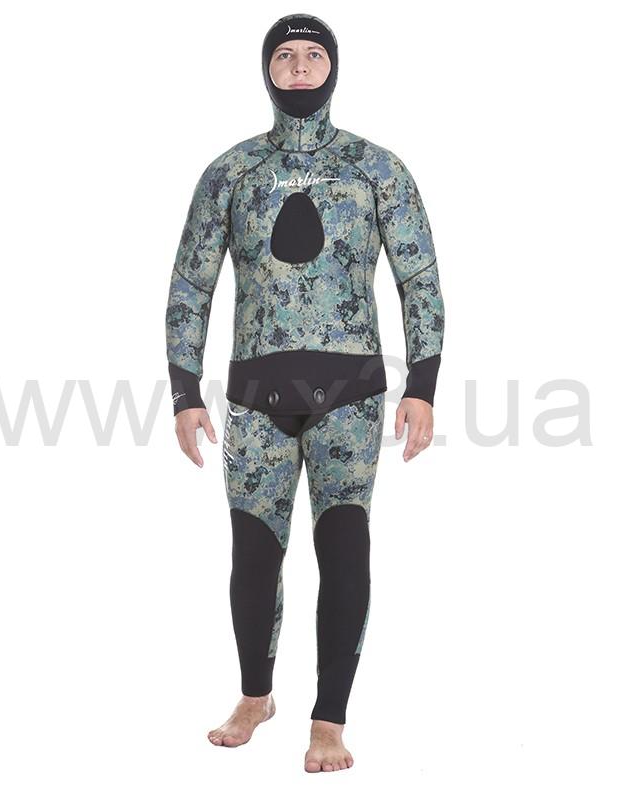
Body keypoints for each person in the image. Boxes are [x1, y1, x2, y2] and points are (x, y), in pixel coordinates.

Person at [165, 13, 444, 772]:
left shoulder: (375, 168)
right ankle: (255, 696)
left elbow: (419, 280)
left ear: (332, 68)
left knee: (344, 547)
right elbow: (190, 286)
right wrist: (185, 393)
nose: (297, 66)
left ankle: (329, 720)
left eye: (312, 54)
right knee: (253, 553)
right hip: (256, 394)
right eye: (284, 55)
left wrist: (422, 386)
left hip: (350, 393)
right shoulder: (232, 172)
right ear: (266, 69)